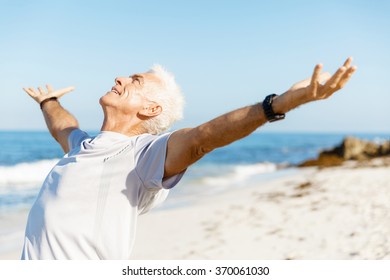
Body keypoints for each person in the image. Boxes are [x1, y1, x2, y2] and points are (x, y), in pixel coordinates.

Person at [21, 58, 357, 259]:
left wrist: (277, 105)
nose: (120, 78)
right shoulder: (84, 146)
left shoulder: (142, 156)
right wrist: (48, 102)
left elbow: (203, 138)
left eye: (134, 81)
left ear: (150, 109)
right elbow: (63, 127)